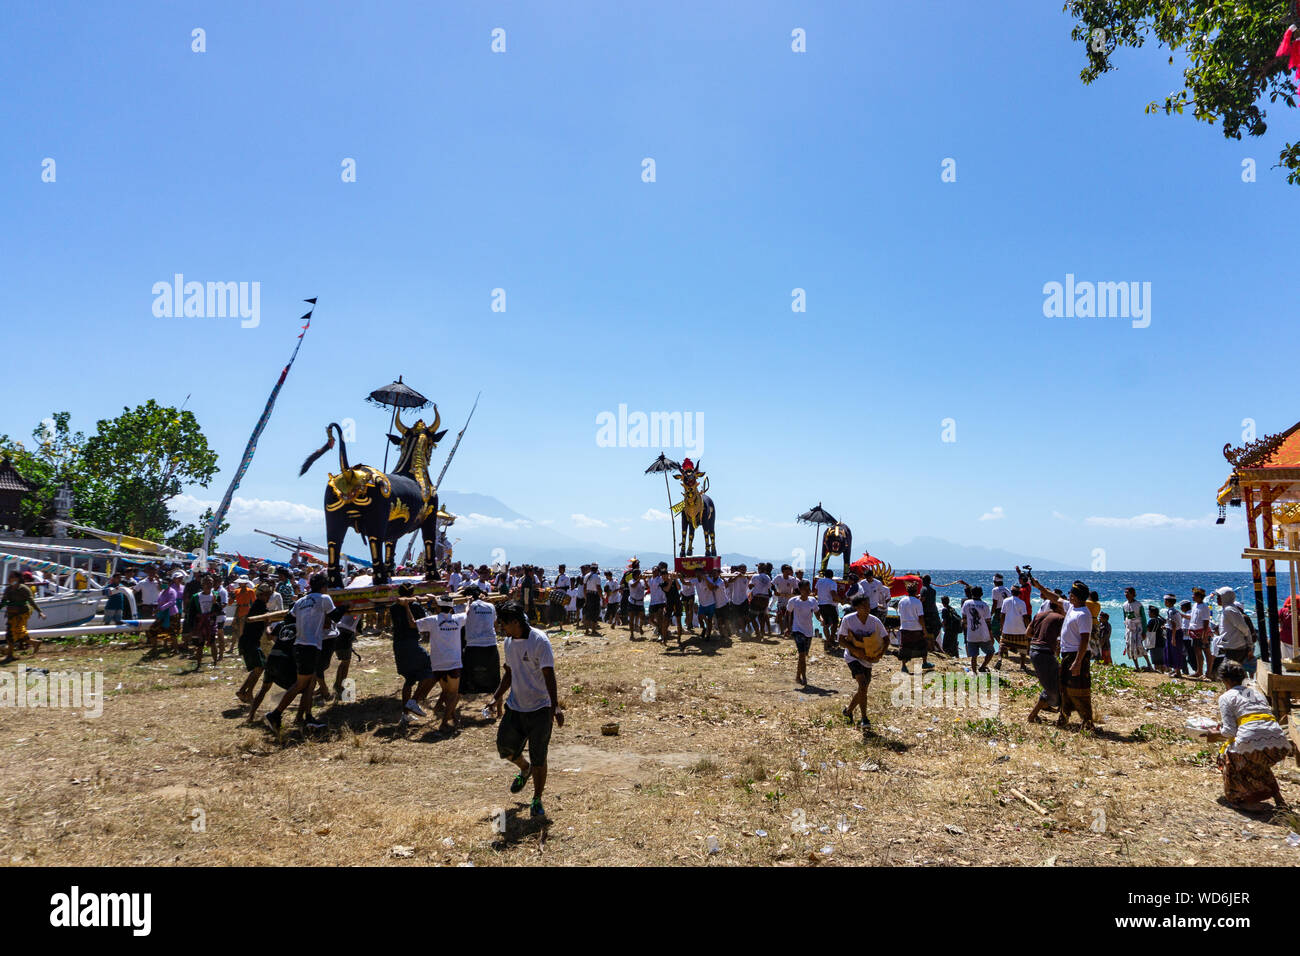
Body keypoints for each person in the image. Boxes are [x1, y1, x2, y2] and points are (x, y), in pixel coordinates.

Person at [489, 601, 563, 821]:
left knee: (539, 756)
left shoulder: (539, 641)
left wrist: (555, 706)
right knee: (505, 746)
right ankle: (524, 769)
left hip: (540, 708)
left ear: (514, 622)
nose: (501, 627)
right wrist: (496, 697)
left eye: (503, 623)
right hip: (516, 706)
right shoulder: (509, 643)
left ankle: (537, 799)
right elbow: (510, 673)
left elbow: (549, 675)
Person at [1205, 660, 1291, 811]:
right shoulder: (1255, 693)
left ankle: (1244, 801)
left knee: (1227, 756)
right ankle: (1279, 799)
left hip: (1254, 746)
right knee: (1258, 758)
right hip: (1279, 745)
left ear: (1224, 680)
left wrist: (1214, 735)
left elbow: (1229, 732)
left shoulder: (1226, 697)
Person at [264, 573, 344, 732]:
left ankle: (309, 718)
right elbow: (335, 617)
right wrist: (345, 606)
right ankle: (275, 714)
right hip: (310, 646)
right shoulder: (324, 598)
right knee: (301, 684)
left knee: (310, 683)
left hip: (300, 645)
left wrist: (306, 620)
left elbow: (288, 619)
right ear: (323, 586)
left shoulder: (300, 601)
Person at [837, 595, 888, 730]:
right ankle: (864, 718)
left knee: (863, 689)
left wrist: (880, 654)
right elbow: (841, 640)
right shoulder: (848, 620)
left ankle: (848, 711)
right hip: (852, 657)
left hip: (868, 659)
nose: (868, 608)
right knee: (863, 683)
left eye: (868, 605)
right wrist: (855, 650)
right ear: (857, 608)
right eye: (864, 606)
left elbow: (886, 638)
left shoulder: (875, 621)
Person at [390, 582, 437, 725]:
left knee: (409, 679)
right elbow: (423, 624)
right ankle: (414, 701)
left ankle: (405, 714)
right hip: (411, 644)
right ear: (412, 594)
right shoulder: (415, 606)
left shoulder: (393, 608)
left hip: (398, 645)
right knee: (433, 670)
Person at [416, 596, 464, 732]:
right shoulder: (458, 619)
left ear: (438, 607)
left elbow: (413, 623)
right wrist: (470, 602)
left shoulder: (432, 620)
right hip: (454, 662)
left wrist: (407, 607)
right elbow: (467, 613)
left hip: (438, 664)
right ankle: (444, 722)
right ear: (451, 608)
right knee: (454, 694)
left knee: (447, 691)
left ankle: (452, 717)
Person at [1025, 581, 1065, 724]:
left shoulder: (1039, 615)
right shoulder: (1060, 618)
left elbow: (1028, 633)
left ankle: (1037, 713)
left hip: (1034, 650)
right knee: (1055, 686)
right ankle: (1035, 715)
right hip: (1045, 653)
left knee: (1050, 684)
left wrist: (1042, 635)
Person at [1057, 582, 1095, 730]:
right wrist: (1038, 586)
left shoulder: (1084, 614)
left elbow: (1085, 640)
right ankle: (1064, 716)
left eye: (1071, 594)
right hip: (1067, 653)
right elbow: (1056, 599)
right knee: (1065, 686)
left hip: (1077, 655)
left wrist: (1078, 662)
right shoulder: (1072, 607)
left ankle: (1087, 722)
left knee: (1080, 689)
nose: (1069, 596)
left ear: (1077, 596)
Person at [236, 582, 274, 704]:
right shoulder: (260, 606)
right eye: (267, 594)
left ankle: (244, 691)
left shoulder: (258, 605)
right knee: (260, 667)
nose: (268, 597)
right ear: (261, 595)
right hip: (250, 642)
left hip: (250, 641)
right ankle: (246, 692)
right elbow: (266, 621)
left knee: (258, 668)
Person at [461, 587, 500, 694]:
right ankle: (498, 709)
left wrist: (467, 602)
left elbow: (465, 615)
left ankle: (470, 689)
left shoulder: (470, 606)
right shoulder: (491, 606)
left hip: (474, 645)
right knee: (493, 677)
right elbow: (495, 624)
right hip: (491, 644)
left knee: (469, 677)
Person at [1, 570, 45, 661]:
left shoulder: (24, 589)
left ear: (17, 578)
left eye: (12, 577)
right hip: (11, 613)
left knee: (16, 631)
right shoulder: (8, 589)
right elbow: (4, 602)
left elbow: (31, 601)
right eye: (9, 577)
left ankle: (10, 655)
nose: (10, 579)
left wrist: (40, 611)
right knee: (11, 633)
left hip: (22, 613)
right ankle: (34, 643)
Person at [785, 579, 820, 687]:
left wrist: (822, 620)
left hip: (808, 631)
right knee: (801, 655)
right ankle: (804, 677)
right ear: (800, 590)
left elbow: (817, 613)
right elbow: (788, 614)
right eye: (805, 589)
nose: (808, 590)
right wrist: (788, 627)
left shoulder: (812, 601)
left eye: (809, 588)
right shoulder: (793, 601)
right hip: (797, 630)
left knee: (803, 655)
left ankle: (797, 676)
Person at [896, 582, 929, 673]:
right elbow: (921, 617)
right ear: (916, 591)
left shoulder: (901, 601)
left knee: (904, 647)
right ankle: (924, 662)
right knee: (923, 645)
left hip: (905, 627)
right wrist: (924, 629)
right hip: (916, 627)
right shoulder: (918, 602)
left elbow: (900, 613)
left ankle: (903, 666)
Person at [1215, 587, 1253, 665]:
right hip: (1232, 646)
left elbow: (1244, 628)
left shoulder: (1229, 610)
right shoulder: (1227, 609)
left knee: (1227, 672)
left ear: (1225, 597)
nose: (1217, 599)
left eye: (1219, 596)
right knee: (1231, 672)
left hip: (1235, 647)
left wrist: (1249, 644)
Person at [961, 586, 994, 672]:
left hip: (971, 634)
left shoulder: (966, 603)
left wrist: (966, 629)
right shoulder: (985, 605)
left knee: (973, 656)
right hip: (983, 634)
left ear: (971, 593)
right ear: (982, 594)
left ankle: (974, 672)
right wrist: (991, 634)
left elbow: (964, 618)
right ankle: (983, 666)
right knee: (990, 652)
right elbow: (988, 622)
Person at [996, 585, 1029, 671]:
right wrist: (1028, 627)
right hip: (1020, 629)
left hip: (1007, 628)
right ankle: (1022, 665)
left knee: (1002, 645)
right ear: (1019, 593)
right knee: (1023, 647)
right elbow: (1025, 617)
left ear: (1011, 592)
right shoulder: (1022, 603)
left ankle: (999, 659)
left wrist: (1001, 626)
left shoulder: (1005, 601)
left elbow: (1002, 615)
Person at [1187, 588, 1213, 678]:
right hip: (1195, 632)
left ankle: (1209, 672)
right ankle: (1199, 671)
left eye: (1194, 595)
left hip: (1202, 632)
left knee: (1206, 652)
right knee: (1197, 651)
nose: (1192, 596)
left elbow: (1206, 622)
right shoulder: (1195, 605)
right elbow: (1192, 617)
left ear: (1198, 596)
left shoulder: (1204, 607)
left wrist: (1204, 636)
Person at [1121, 588, 1149, 670]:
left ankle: (1149, 664)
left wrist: (1144, 631)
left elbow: (1143, 619)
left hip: (1138, 628)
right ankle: (1136, 666)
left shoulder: (1138, 604)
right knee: (1130, 647)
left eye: (1128, 592)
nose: (1126, 594)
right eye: (1125, 592)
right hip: (1129, 629)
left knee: (1140, 646)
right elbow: (1125, 618)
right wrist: (1126, 630)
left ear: (1133, 594)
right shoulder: (1124, 605)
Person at [814, 568, 839, 652]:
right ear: (832, 576)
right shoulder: (832, 583)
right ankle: (831, 639)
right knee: (835, 623)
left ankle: (828, 640)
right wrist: (840, 600)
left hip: (821, 604)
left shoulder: (819, 581)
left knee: (825, 623)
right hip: (830, 604)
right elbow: (833, 594)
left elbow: (815, 592)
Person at [1163, 594, 1185, 675]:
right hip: (1173, 632)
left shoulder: (1171, 612)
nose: (1164, 602)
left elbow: (1174, 625)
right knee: (1172, 651)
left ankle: (1177, 671)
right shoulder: (1172, 611)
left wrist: (1173, 638)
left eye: (1165, 601)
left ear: (1168, 602)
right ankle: (1175, 669)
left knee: (1175, 651)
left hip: (1174, 633)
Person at [773, 565, 798, 636]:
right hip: (780, 598)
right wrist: (775, 591)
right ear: (783, 571)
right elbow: (772, 584)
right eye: (786, 571)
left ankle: (789, 630)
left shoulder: (792, 579)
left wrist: (794, 594)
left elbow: (796, 589)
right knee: (780, 614)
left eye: (789, 571)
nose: (788, 572)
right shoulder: (778, 577)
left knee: (789, 615)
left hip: (789, 598)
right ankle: (781, 631)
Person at [750, 564, 773, 637]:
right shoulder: (767, 577)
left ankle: (757, 632)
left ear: (759, 569)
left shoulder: (755, 576)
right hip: (765, 598)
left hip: (757, 597)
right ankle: (762, 631)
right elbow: (769, 587)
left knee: (752, 617)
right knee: (761, 616)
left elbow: (750, 586)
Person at [695, 569, 717, 641]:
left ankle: (708, 635)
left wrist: (705, 579)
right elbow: (686, 583)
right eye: (697, 573)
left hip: (710, 603)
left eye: (699, 573)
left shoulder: (708, 579)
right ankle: (704, 628)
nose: (698, 575)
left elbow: (711, 588)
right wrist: (680, 578)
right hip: (702, 604)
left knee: (709, 620)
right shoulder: (695, 580)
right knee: (700, 617)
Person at [581, 564, 602, 637]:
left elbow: (584, 587)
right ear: (597, 569)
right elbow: (599, 588)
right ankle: (593, 630)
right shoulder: (597, 577)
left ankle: (587, 630)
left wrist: (585, 597)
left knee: (588, 612)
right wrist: (601, 596)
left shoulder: (586, 576)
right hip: (595, 595)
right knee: (595, 612)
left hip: (588, 595)